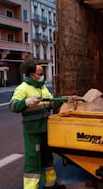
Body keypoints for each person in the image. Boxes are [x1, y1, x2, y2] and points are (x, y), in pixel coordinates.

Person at [9, 60, 66, 189]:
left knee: (47, 159)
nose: (42, 76)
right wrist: (26, 102)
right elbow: (12, 106)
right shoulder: (22, 88)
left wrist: (61, 100)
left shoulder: (42, 87)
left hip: (45, 129)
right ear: (32, 75)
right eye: (40, 73)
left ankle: (50, 185)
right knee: (33, 162)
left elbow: (49, 103)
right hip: (33, 131)